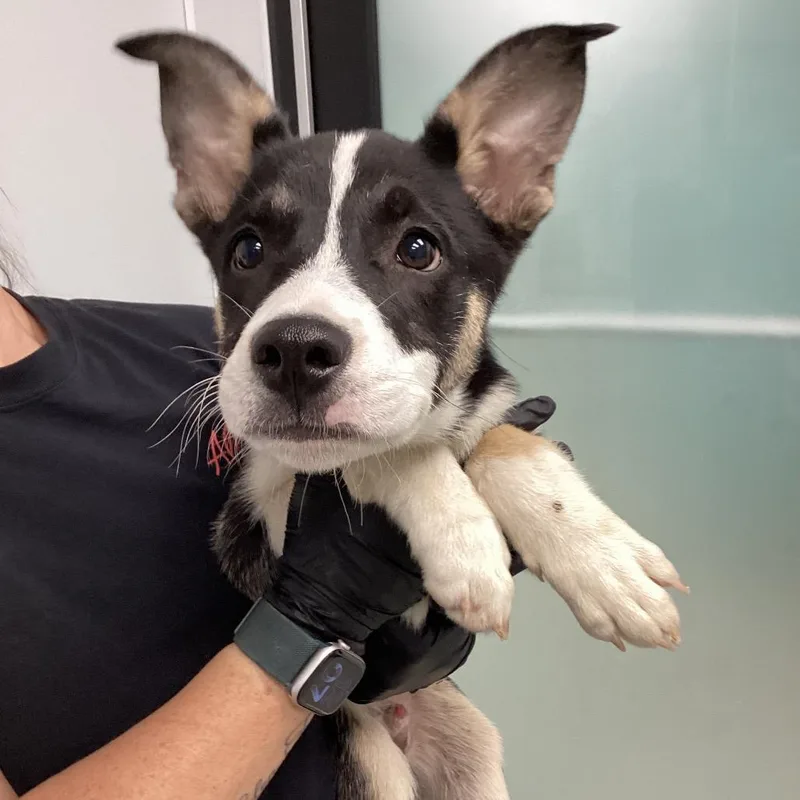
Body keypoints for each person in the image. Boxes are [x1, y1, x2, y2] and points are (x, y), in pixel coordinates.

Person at [0, 262, 559, 800]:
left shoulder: (205, 348)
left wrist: (415, 629)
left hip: (406, 745)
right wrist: (309, 632)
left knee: (474, 747)